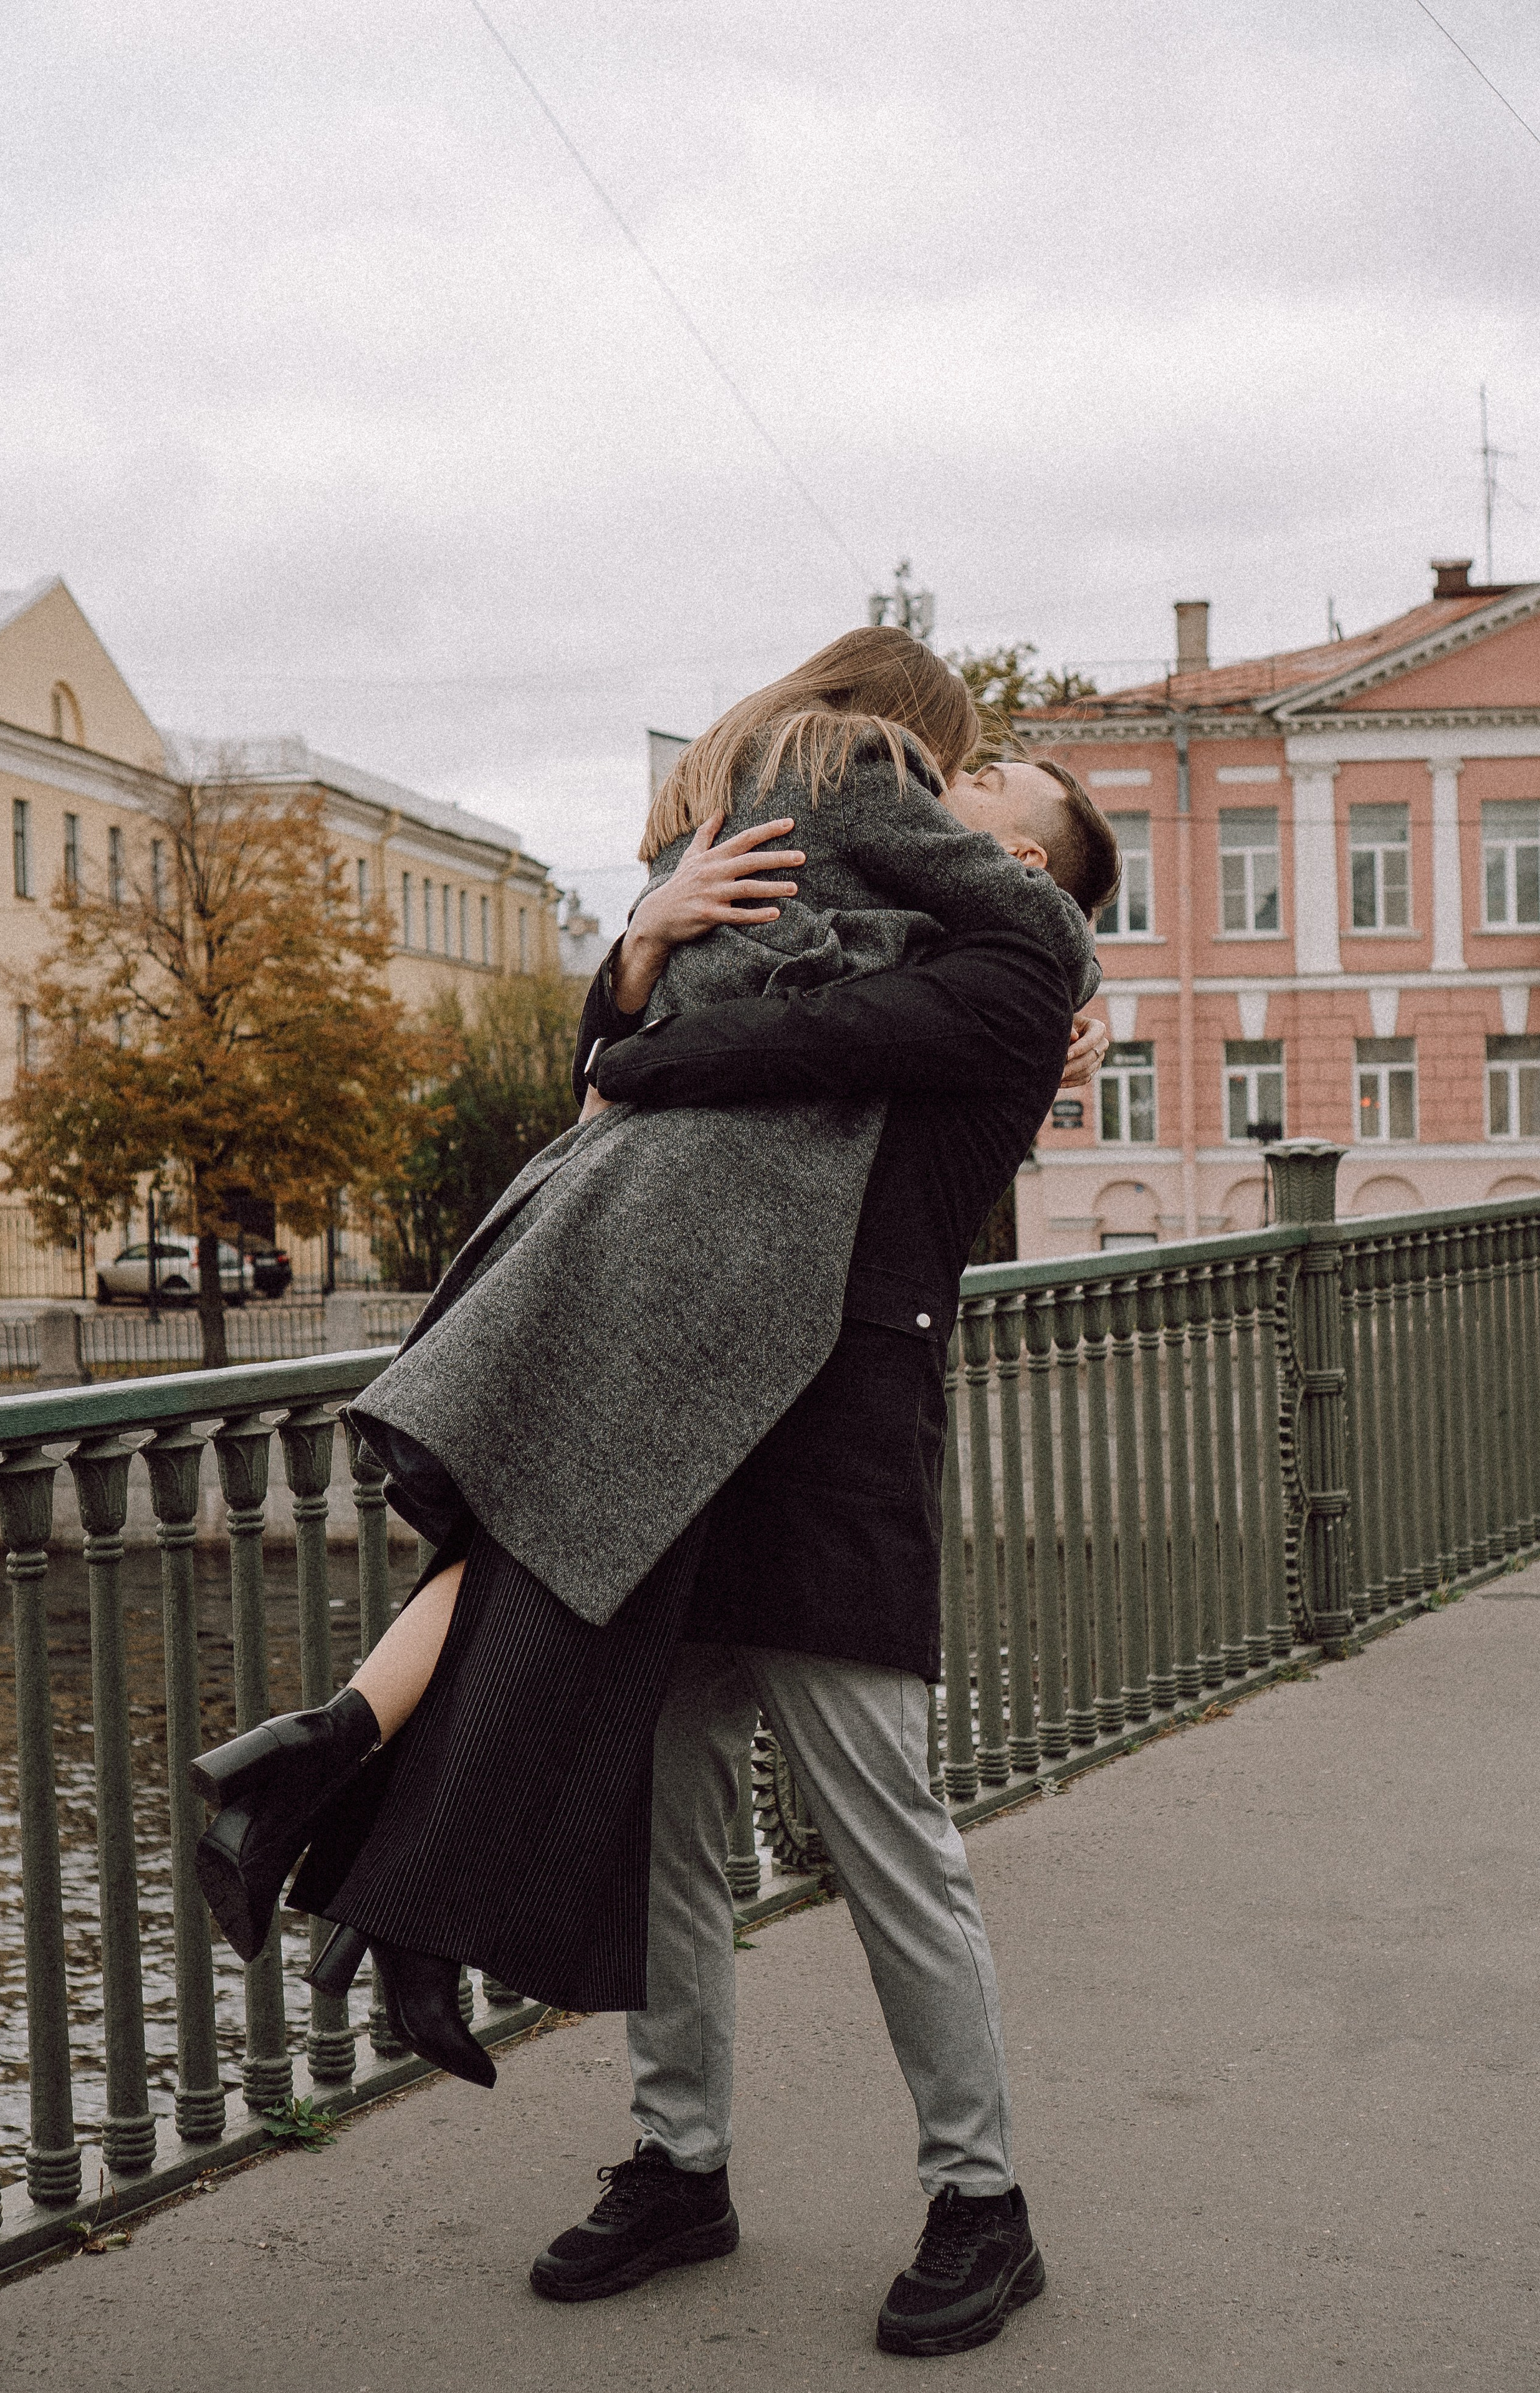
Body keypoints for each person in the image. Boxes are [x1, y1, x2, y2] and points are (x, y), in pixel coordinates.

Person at [189, 634, 1114, 2358]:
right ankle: (679, 2164)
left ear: (1026, 863)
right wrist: (639, 951)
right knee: (677, 1838)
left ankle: (982, 2202)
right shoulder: (832, 933)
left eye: (996, 797)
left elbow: (752, 1054)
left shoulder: (1010, 1001)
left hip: (835, 1463)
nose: (953, 791)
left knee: (888, 1844)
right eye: (964, 766)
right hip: (683, 1444)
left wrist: (653, 1045)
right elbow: (639, 1074)